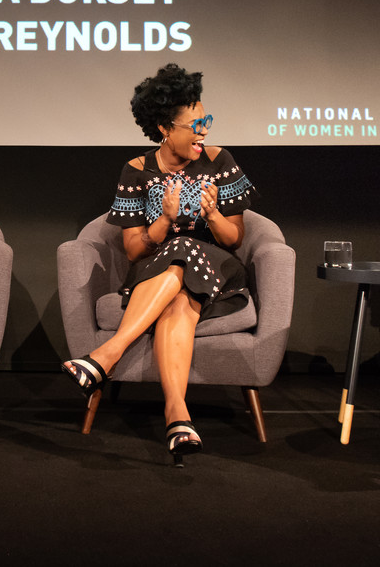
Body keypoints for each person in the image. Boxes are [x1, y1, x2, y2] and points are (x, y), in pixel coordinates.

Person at [62, 64, 254, 464]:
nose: (204, 131)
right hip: (156, 274)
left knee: (185, 250)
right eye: (195, 124)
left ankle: (106, 355)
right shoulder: (136, 171)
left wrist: (214, 215)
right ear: (166, 128)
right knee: (178, 296)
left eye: (207, 121)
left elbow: (235, 238)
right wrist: (164, 221)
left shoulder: (221, 161)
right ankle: (178, 417)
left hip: (217, 271)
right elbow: (134, 250)